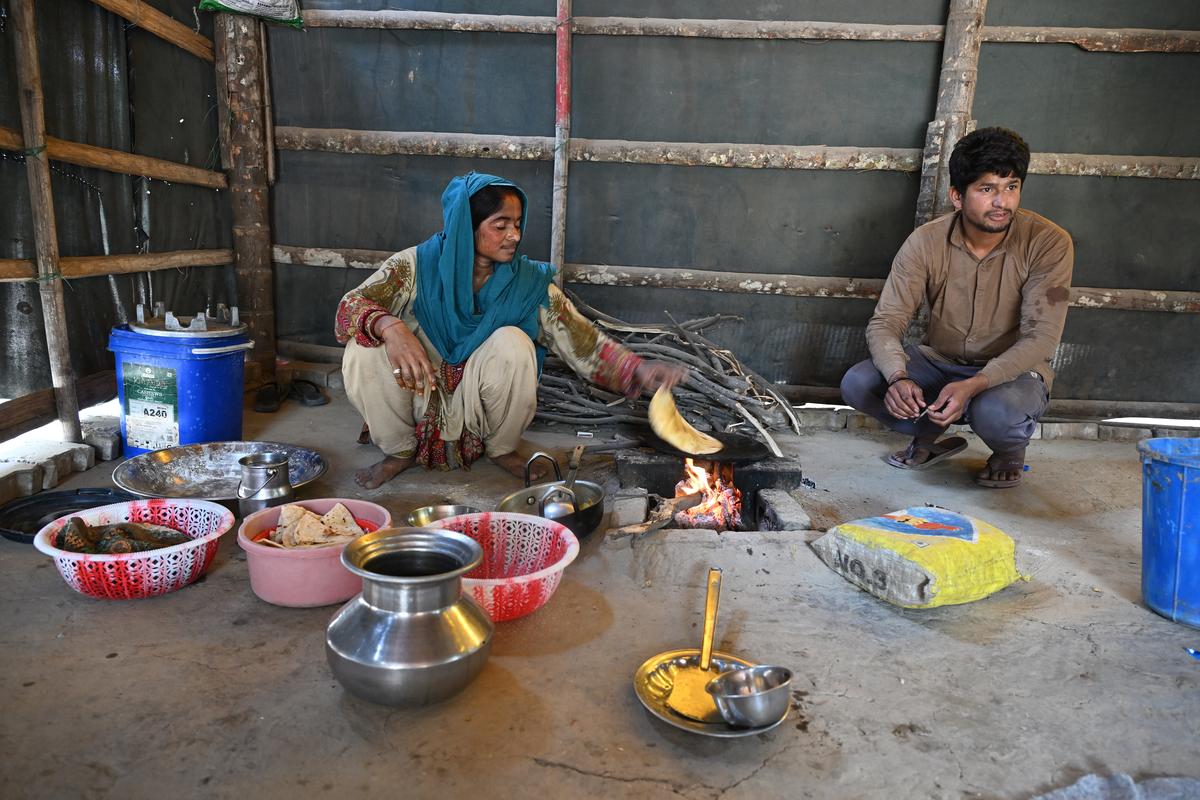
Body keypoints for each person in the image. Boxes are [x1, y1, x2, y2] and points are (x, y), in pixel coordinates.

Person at [336, 171, 686, 489]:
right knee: (362, 348)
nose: (514, 236)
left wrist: (636, 369)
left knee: (514, 343)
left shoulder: (527, 283)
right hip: (416, 395)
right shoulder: (413, 266)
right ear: (465, 226)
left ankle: (501, 450)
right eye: (500, 225)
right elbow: (351, 306)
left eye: (517, 224)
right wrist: (392, 327)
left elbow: (579, 338)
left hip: (479, 410)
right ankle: (399, 452)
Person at [839, 127, 1074, 488]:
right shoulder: (925, 242)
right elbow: (886, 321)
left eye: (1011, 187)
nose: (1002, 202)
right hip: (940, 363)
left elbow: (1041, 337)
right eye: (987, 189)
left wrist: (977, 383)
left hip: (1011, 374)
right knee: (860, 383)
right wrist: (898, 377)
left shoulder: (1048, 242)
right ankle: (928, 433)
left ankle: (1008, 451)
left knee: (996, 412)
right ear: (957, 196)